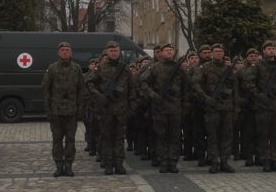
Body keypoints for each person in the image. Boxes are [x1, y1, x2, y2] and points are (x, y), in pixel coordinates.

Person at [144, 43, 193, 173]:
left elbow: (187, 89)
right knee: (161, 137)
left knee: (175, 137)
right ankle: (163, 162)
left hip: (176, 109)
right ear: (161, 52)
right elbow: (143, 83)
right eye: (167, 50)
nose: (169, 52)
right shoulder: (155, 68)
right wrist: (154, 96)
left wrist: (185, 106)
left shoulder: (180, 70)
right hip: (160, 109)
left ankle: (173, 162)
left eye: (171, 50)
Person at [89, 41, 136, 174]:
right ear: (107, 52)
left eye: (116, 50)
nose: (114, 53)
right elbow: (89, 83)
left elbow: (132, 89)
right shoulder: (101, 67)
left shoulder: (125, 68)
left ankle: (119, 164)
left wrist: (131, 107)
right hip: (106, 109)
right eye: (111, 51)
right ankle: (108, 164)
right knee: (107, 138)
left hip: (121, 109)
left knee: (120, 139)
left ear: (119, 52)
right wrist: (99, 97)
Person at [42, 41, 85, 177]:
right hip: (56, 112)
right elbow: (46, 90)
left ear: (71, 52)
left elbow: (81, 90)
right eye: (63, 50)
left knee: (71, 140)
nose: (65, 52)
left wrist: (80, 108)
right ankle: (59, 166)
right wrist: (48, 110)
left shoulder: (77, 68)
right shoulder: (52, 68)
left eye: (67, 50)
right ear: (59, 52)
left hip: (71, 112)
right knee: (57, 140)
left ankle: (69, 165)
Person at [195, 43, 238, 173]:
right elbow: (196, 84)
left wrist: (236, 108)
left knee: (226, 136)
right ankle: (214, 161)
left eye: (220, 51)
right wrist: (205, 98)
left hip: (226, 108)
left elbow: (235, 90)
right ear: (212, 53)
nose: (218, 53)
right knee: (212, 137)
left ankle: (224, 161)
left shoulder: (229, 69)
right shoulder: (205, 68)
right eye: (216, 51)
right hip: (212, 108)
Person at [253, 42, 276, 172]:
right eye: (268, 49)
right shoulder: (258, 66)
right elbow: (249, 83)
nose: (271, 51)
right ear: (263, 51)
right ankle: (266, 161)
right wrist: (259, 95)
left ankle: (275, 160)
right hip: (264, 107)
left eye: (273, 49)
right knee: (264, 135)